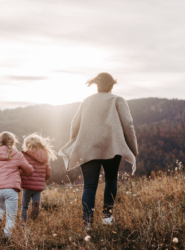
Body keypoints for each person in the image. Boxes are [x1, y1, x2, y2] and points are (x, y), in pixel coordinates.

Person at [59, 73, 138, 228]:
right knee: (111, 179)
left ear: (97, 84)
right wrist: (133, 148)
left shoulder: (86, 101)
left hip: (87, 147)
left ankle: (87, 223)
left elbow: (74, 125)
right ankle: (107, 218)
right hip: (112, 147)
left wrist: (76, 142)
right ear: (112, 85)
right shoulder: (117, 100)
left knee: (89, 185)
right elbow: (128, 125)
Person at [0, 132, 34, 239]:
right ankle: (6, 237)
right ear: (13, 142)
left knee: (0, 207)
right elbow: (29, 170)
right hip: (11, 189)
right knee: (11, 217)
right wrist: (20, 172)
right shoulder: (17, 154)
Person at [20, 133, 56, 223]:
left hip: (27, 185)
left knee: (24, 206)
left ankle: (23, 223)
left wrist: (20, 177)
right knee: (36, 200)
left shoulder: (25, 155)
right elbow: (48, 172)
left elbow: (21, 168)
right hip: (38, 186)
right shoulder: (45, 156)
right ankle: (36, 206)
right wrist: (43, 179)